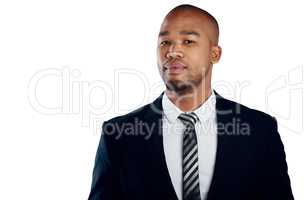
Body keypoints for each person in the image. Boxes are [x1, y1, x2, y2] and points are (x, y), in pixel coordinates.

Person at [88, 4, 294, 200]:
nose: (172, 51)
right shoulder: (118, 135)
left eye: (188, 41)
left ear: (215, 54)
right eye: (165, 42)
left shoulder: (260, 130)